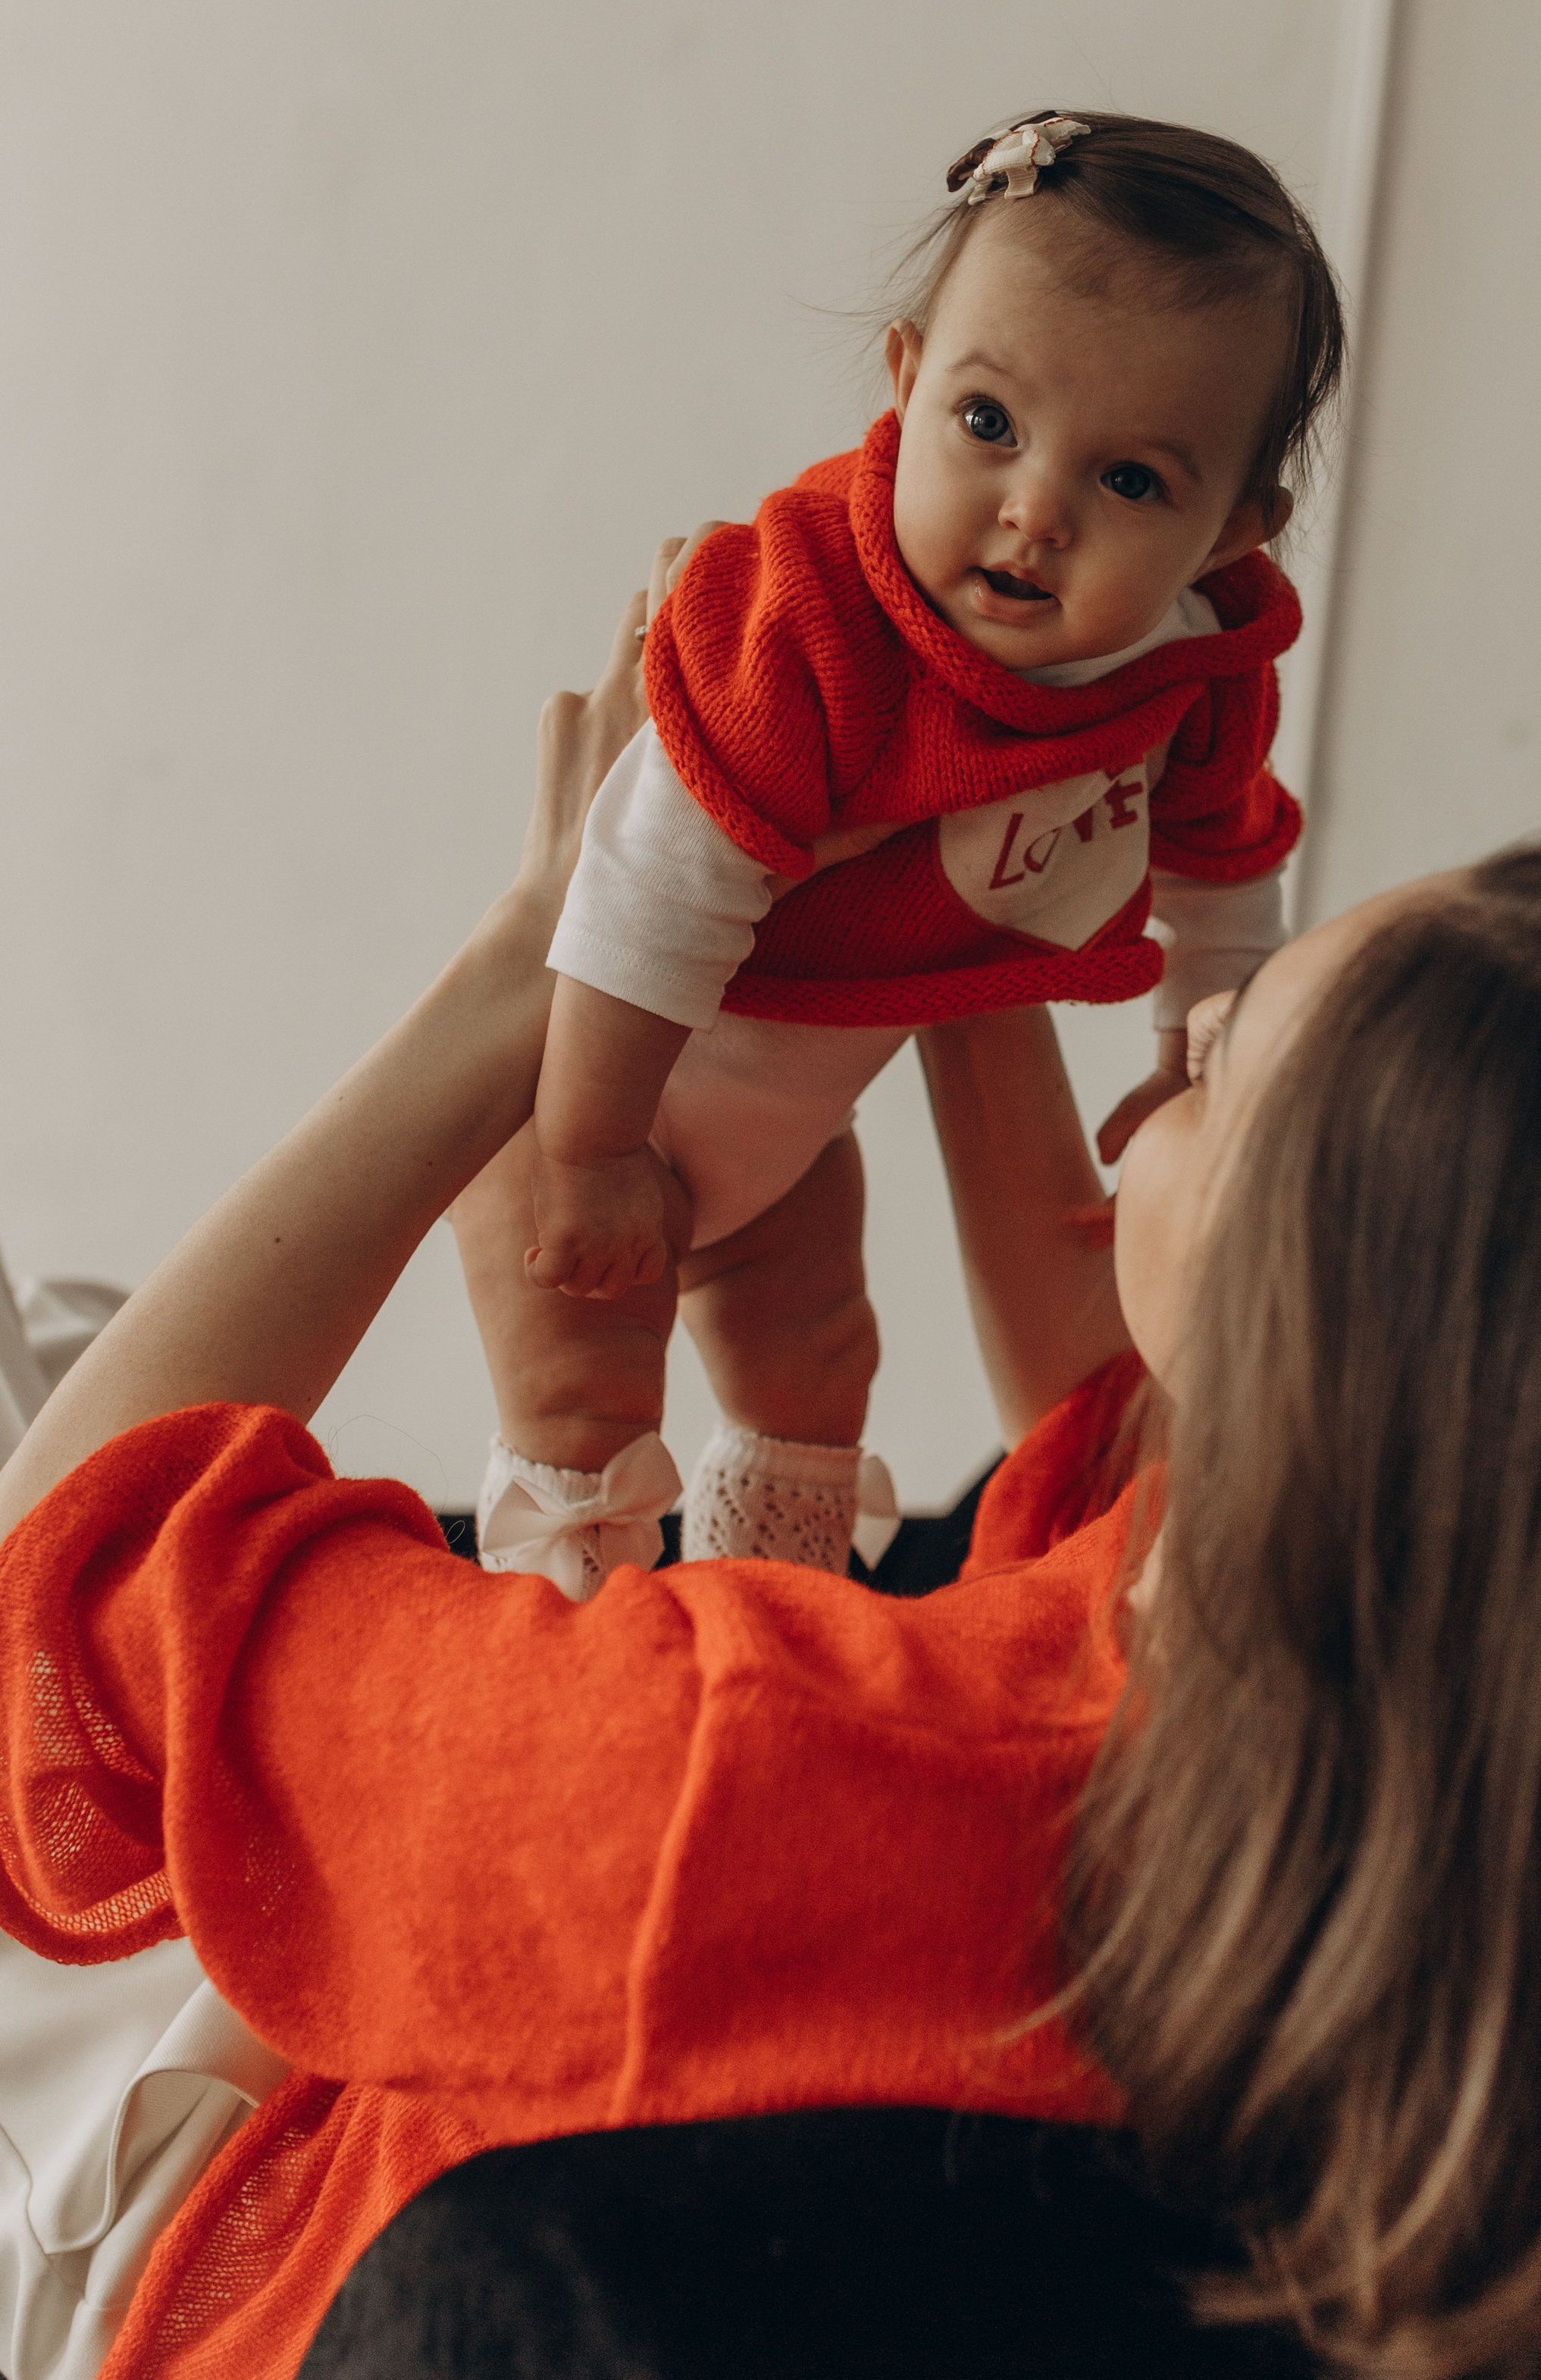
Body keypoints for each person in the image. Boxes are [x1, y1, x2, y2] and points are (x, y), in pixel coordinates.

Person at [2, 590, 1541, 2380]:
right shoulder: (1531, 1813)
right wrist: (946, 889)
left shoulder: (752, 1778)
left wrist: (524, 969)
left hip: (222, 2215)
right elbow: (1103, 1366)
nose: (1149, 1077)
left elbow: (68, 1568)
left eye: (1212, 1065)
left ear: (1303, 1344)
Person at [497, 109, 1342, 1581]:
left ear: (1229, 532)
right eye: (988, 424)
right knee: (586, 1399)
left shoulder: (1194, 665)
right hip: (592, 1075)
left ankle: (775, 1601)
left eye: (1130, 482)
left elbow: (1224, 873)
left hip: (792, 1123)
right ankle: (573, 1629)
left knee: (819, 1360)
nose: (1034, 512)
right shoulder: (807, 615)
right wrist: (594, 1149)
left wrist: (1191, 1060)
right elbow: (647, 885)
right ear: (904, 382)